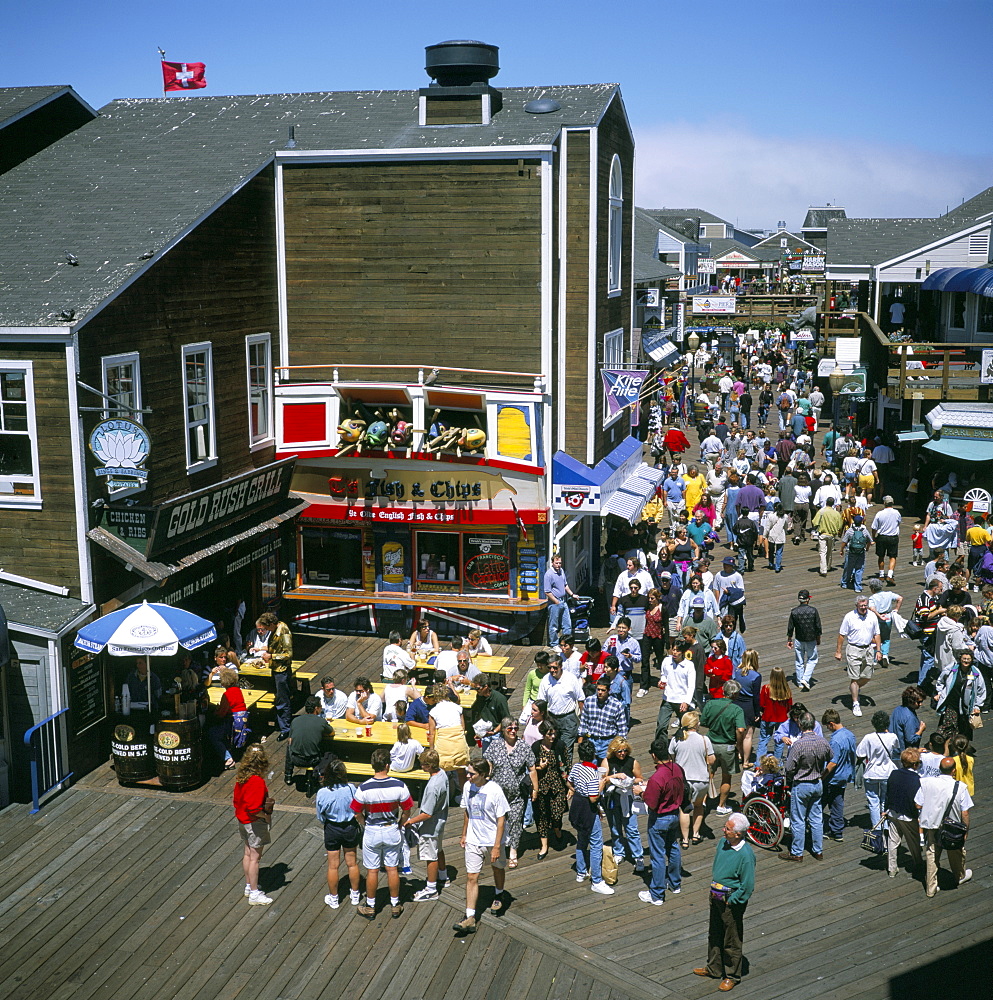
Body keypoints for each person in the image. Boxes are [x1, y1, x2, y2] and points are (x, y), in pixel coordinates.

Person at [692, 812, 755, 992]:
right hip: (716, 896)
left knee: (732, 939)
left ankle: (732, 975)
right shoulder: (723, 843)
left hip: (731, 901)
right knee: (715, 933)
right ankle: (714, 968)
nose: (723, 830)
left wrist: (733, 900)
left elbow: (747, 885)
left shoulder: (746, 855)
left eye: (727, 828)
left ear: (738, 834)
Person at [351, 746, 413, 920]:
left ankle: (370, 906)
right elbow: (408, 809)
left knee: (372, 870)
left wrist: (364, 823)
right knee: (392, 868)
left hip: (372, 830)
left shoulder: (363, 788)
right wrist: (401, 823)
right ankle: (395, 905)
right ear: (387, 765)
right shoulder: (399, 785)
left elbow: (356, 812)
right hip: (392, 828)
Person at [453, 757, 511, 934]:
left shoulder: (495, 790)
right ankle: (469, 917)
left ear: (483, 774)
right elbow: (467, 811)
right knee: (472, 876)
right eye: (468, 772)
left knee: (497, 867)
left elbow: (501, 820)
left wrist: (495, 846)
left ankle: (499, 893)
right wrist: (464, 833)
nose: (468, 776)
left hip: (493, 839)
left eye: (472, 773)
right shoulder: (467, 786)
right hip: (473, 838)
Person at [915, 756, 973, 897]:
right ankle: (959, 876)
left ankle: (931, 888)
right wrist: (965, 830)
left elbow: (918, 804)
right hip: (951, 827)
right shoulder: (960, 787)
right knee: (956, 852)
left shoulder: (926, 782)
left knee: (932, 855)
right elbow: (964, 813)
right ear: (953, 771)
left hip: (932, 825)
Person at [484, 717, 537, 869]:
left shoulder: (523, 746)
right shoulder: (495, 745)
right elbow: (488, 763)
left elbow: (532, 769)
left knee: (515, 821)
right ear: (503, 730)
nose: (513, 731)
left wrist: (535, 789)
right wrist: (486, 780)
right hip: (497, 793)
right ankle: (497, 846)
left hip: (517, 793)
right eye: (510, 728)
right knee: (496, 820)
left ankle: (513, 851)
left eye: (515, 728)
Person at [780, 710, 833, 862]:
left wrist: (792, 777)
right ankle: (818, 851)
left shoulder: (798, 745)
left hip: (801, 784)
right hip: (817, 782)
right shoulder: (823, 742)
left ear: (801, 725)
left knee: (798, 819)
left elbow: (789, 768)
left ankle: (797, 852)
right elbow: (831, 756)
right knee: (816, 818)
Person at [639, 737, 684, 905]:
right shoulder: (677, 769)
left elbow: (651, 803)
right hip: (674, 815)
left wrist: (640, 792)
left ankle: (657, 894)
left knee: (657, 856)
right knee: (673, 847)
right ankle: (675, 883)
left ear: (653, 756)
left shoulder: (657, 777)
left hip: (659, 819)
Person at [567, 739, 614, 895]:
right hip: (588, 808)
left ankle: (581, 872)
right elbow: (594, 798)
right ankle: (596, 880)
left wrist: (576, 790)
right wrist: (601, 784)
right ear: (593, 754)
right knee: (595, 843)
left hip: (576, 805)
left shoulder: (576, 767)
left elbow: (569, 782)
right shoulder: (593, 773)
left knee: (581, 838)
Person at [404, 748, 450, 901]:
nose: (421, 767)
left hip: (431, 826)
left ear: (429, 766)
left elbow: (427, 814)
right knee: (438, 849)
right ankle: (443, 876)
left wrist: (410, 822)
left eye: (423, 764)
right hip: (441, 821)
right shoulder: (442, 774)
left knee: (431, 856)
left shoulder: (432, 787)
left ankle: (431, 889)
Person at [315, 759, 361, 909]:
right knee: (352, 863)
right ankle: (355, 895)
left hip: (332, 829)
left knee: (333, 866)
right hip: (349, 827)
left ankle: (334, 899)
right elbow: (357, 809)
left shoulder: (322, 792)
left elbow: (320, 816)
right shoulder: (351, 789)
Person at [233, 744, 274, 905]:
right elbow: (254, 808)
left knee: (248, 853)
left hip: (242, 820)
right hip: (254, 822)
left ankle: (249, 886)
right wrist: (266, 817)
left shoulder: (241, 776)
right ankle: (255, 894)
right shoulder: (257, 781)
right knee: (255, 859)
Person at [245, 612, 294, 740]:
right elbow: (275, 646)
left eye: (267, 628)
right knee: (278, 698)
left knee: (283, 699)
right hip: (275, 668)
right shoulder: (275, 630)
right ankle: (280, 723)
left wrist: (271, 656)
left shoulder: (283, 631)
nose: (266, 630)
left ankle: (285, 728)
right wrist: (260, 649)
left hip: (281, 670)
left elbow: (288, 654)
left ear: (271, 624)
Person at [701, 680, 747, 815]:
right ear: (736, 694)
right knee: (726, 777)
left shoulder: (710, 704)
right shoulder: (737, 710)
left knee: (708, 774)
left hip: (710, 744)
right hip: (727, 746)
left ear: (723, 690)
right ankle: (721, 806)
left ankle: (703, 802)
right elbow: (740, 729)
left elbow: (703, 721)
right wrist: (739, 745)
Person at [669, 710, 715, 847]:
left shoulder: (676, 739)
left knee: (684, 809)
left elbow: (671, 757)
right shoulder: (704, 740)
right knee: (699, 806)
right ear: (696, 724)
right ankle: (695, 834)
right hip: (701, 780)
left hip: (683, 781)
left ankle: (684, 839)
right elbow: (712, 760)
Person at [602, 737, 646, 871]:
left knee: (631, 829)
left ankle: (638, 857)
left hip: (628, 798)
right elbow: (603, 779)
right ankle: (619, 852)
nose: (622, 753)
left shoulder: (632, 762)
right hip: (613, 799)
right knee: (615, 827)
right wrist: (616, 776)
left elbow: (640, 778)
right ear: (614, 751)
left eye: (625, 751)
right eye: (619, 751)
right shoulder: (607, 762)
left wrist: (630, 781)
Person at [835, 595, 882, 717]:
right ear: (856, 605)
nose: (864, 607)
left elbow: (877, 634)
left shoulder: (872, 615)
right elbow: (841, 635)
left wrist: (879, 650)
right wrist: (838, 651)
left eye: (865, 605)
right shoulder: (849, 617)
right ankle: (855, 702)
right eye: (861, 605)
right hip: (854, 649)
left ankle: (853, 688)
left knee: (868, 675)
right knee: (854, 677)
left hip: (868, 649)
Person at [856, 711, 899, 828]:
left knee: (873, 801)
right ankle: (885, 825)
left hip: (871, 773)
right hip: (888, 773)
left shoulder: (868, 738)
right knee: (885, 800)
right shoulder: (892, 736)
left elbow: (859, 753)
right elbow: (896, 746)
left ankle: (876, 828)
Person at [537, 660, 585, 765]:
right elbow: (541, 701)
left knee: (566, 749)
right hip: (552, 719)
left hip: (568, 719)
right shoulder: (546, 679)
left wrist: (584, 720)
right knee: (552, 746)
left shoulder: (571, 678)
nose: (552, 670)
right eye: (550, 668)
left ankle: (567, 773)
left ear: (561, 666)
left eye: (555, 668)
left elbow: (580, 699)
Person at [885, 750, 923, 880]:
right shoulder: (917, 780)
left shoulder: (894, 774)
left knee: (893, 841)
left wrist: (886, 809)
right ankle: (918, 865)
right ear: (915, 764)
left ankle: (892, 868)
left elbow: (888, 793)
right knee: (914, 843)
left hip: (893, 812)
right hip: (908, 816)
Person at [284, 696, 334, 795]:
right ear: (316, 708)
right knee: (329, 752)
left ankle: (288, 775)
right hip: (313, 760)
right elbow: (331, 732)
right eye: (320, 707)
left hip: (296, 759)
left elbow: (290, 739)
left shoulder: (295, 721)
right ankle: (321, 774)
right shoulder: (320, 721)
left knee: (289, 745)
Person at [533, 721, 569, 859]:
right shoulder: (536, 747)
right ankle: (544, 845)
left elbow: (566, 765)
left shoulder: (560, 746)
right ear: (543, 734)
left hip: (557, 786)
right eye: (549, 734)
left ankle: (556, 828)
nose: (553, 736)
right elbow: (530, 767)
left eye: (554, 733)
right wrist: (539, 768)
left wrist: (569, 786)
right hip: (541, 786)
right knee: (541, 816)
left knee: (557, 813)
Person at [934, 649, 986, 742]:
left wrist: (977, 705)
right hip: (952, 704)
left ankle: (959, 746)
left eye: (968, 659)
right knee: (947, 726)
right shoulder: (951, 669)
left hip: (966, 707)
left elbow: (981, 690)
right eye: (964, 658)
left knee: (963, 729)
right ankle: (944, 744)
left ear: (972, 660)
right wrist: (940, 692)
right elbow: (941, 680)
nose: (966, 661)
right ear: (960, 659)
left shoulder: (975, 673)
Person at [820, 708, 856, 843]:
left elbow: (832, 763)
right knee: (837, 803)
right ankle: (837, 831)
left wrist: (822, 777)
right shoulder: (850, 735)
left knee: (819, 803)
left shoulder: (835, 740)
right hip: (845, 776)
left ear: (831, 724)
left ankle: (816, 828)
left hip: (833, 778)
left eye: (828, 727)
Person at [427, 682, 470, 781]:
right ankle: (464, 793)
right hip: (459, 743)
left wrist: (432, 750)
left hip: (444, 745)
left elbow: (432, 734)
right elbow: (463, 728)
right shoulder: (457, 708)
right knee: (461, 771)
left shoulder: (433, 712)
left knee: (440, 772)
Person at [208, 667, 248, 770]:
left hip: (232, 721)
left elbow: (221, 713)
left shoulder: (226, 695)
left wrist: (214, 711)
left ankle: (228, 758)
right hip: (242, 720)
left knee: (213, 735)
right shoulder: (238, 690)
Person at [580, 678, 628, 762]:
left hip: (608, 742)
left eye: (603, 690)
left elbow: (622, 730)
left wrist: (618, 746)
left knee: (606, 769)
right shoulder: (589, 701)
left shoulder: (616, 705)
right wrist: (581, 742)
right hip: (591, 740)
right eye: (598, 689)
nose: (600, 692)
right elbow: (583, 723)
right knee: (590, 768)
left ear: (609, 690)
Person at [786, 589, 822, 692]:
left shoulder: (794, 612)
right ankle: (806, 678)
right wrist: (818, 638)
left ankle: (799, 682)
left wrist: (789, 639)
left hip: (799, 639)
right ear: (808, 600)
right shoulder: (813, 611)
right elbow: (818, 626)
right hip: (811, 639)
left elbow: (790, 627)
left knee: (799, 661)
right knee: (812, 659)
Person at [732, 649, 761, 767]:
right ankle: (745, 761)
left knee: (738, 732)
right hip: (749, 705)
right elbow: (756, 696)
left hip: (737, 703)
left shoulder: (737, 673)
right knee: (748, 736)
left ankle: (739, 753)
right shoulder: (756, 676)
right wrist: (757, 712)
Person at [866, 577, 903, 668]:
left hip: (877, 619)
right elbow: (900, 598)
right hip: (888, 617)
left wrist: (878, 615)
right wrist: (896, 609)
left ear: (873, 588)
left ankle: (875, 657)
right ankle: (885, 655)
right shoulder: (889, 594)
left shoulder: (872, 598)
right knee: (886, 638)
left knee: (875, 637)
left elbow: (872, 608)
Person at [757, 666, 792, 760]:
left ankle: (759, 764)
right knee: (779, 742)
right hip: (782, 719)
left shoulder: (765, 688)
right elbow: (789, 706)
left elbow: (761, 704)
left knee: (763, 740)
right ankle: (777, 763)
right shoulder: (786, 690)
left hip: (767, 717)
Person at [469, 673, 511, 750]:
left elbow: (506, 719)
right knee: (486, 758)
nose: (476, 691)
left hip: (497, 734)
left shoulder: (499, 699)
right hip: (485, 733)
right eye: (475, 688)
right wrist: (479, 732)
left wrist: (495, 731)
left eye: (478, 688)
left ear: (486, 686)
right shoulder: (480, 696)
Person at [543, 553, 576, 648]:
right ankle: (554, 644)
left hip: (563, 601)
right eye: (556, 563)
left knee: (567, 625)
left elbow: (565, 585)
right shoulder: (548, 575)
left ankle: (567, 643)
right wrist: (556, 601)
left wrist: (572, 594)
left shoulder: (561, 571)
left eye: (560, 563)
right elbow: (547, 591)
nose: (558, 565)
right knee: (553, 625)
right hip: (554, 603)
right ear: (552, 563)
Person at [871, 496, 903, 584]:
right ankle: (889, 574)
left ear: (884, 503)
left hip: (882, 537)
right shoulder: (897, 513)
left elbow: (874, 527)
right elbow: (899, 523)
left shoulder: (880, 513)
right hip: (893, 537)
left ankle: (881, 575)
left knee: (881, 556)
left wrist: (873, 537)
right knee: (892, 557)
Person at [812, 496, 844, 577]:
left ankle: (823, 570)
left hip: (823, 534)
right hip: (832, 535)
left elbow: (814, 522)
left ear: (826, 502)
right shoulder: (836, 513)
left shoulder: (821, 511)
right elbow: (840, 525)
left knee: (822, 552)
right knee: (829, 551)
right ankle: (828, 566)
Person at [839, 514, 871, 592]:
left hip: (851, 552)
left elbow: (844, 541)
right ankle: (858, 587)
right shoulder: (864, 531)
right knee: (859, 568)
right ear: (861, 522)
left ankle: (844, 583)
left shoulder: (850, 530)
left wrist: (841, 550)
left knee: (848, 567)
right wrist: (867, 548)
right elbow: (869, 541)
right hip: (861, 552)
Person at [890, 685, 927, 751]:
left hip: (894, 749)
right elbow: (911, 740)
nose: (921, 704)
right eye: (918, 702)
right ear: (910, 701)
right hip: (903, 752)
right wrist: (921, 729)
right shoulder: (909, 718)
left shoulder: (897, 709)